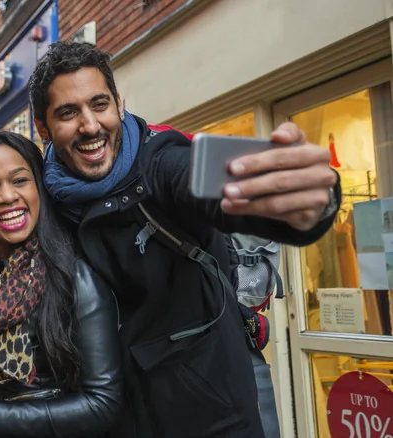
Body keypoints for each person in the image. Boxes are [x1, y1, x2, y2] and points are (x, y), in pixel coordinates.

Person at [28, 42, 341, 437]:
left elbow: (209, 186)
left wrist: (302, 206)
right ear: (43, 127)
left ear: (120, 105)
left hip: (211, 415)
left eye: (100, 104)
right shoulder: (47, 199)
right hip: (123, 420)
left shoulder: (160, 162)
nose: (90, 125)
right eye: (68, 113)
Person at [0, 131, 123, 437]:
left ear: (40, 189)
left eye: (20, 180)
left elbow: (103, 404)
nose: (7, 196)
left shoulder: (75, 278)